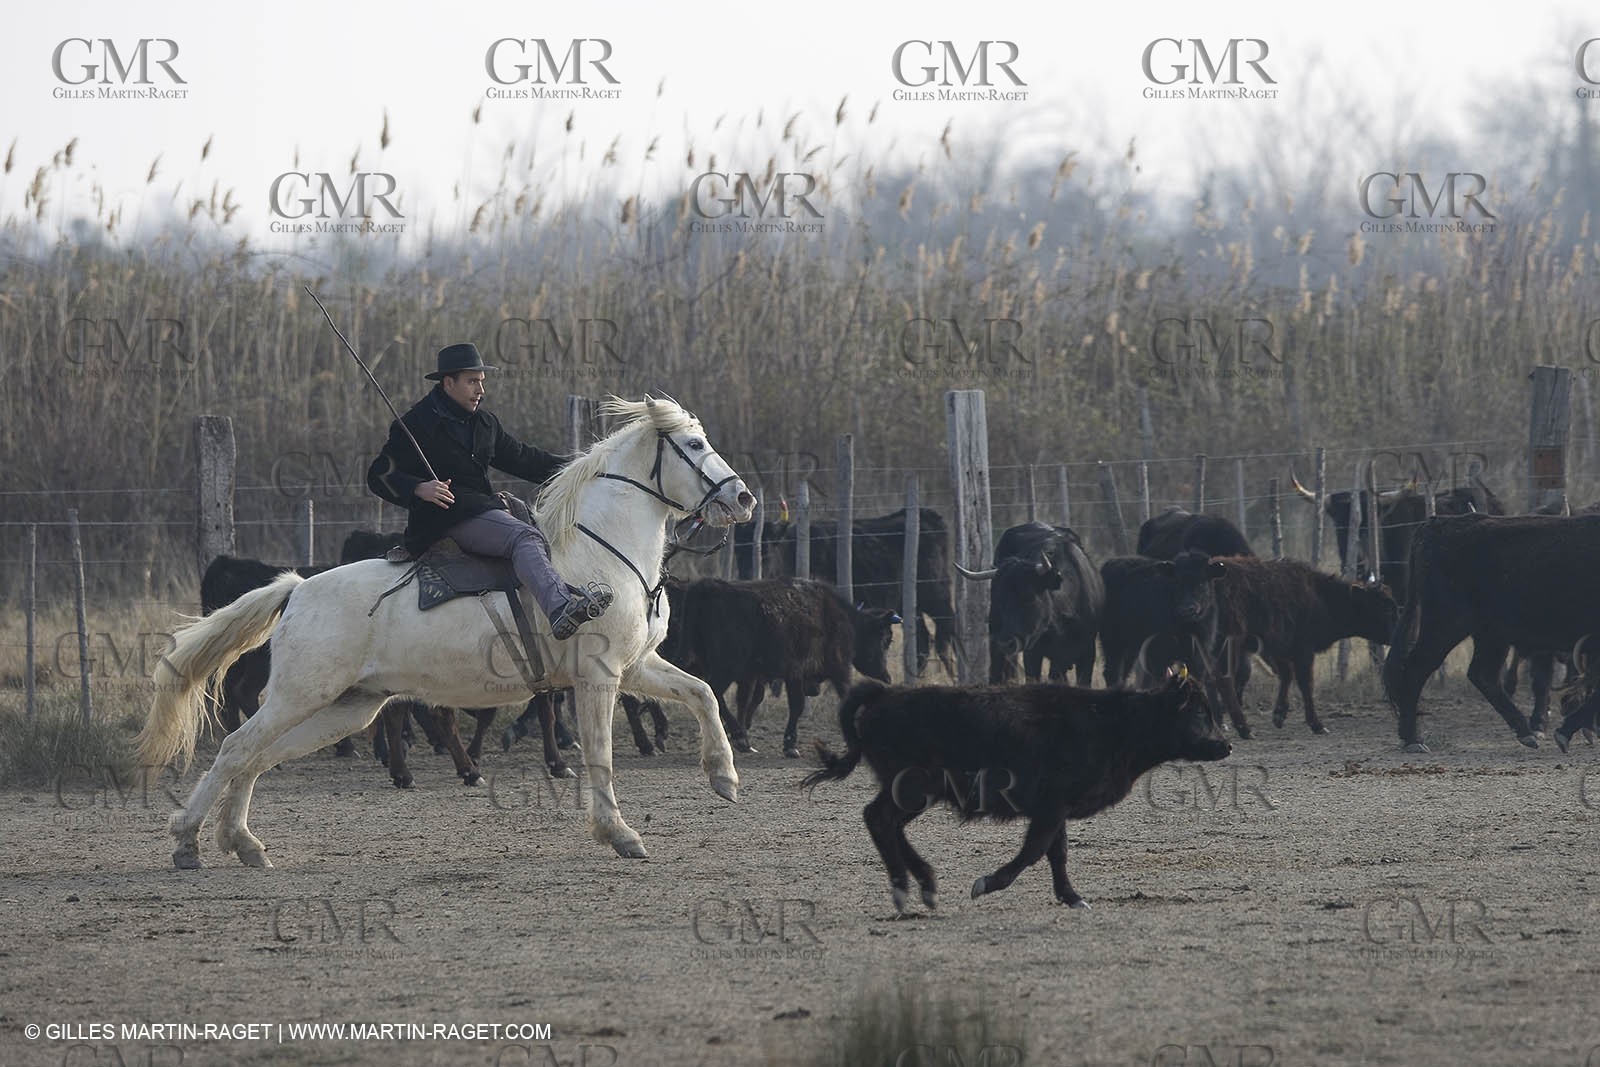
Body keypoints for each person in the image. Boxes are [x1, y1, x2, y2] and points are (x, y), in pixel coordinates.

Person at [366, 342, 611, 639]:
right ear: (448, 383)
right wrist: (418, 488)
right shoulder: (414, 425)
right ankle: (560, 608)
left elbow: (526, 459)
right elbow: (379, 474)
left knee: (547, 532)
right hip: (442, 520)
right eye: (472, 381)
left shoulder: (485, 423)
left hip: (481, 509)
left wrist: (583, 470)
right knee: (524, 536)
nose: (480, 390)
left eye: (481, 381)